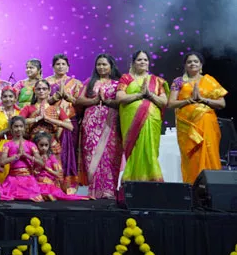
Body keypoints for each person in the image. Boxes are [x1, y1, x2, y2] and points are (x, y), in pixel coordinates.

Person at [168, 52, 227, 184]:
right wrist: (189, 100)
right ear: (185, 65)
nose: (192, 64)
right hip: (187, 128)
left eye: (196, 61)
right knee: (191, 158)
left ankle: (212, 188)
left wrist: (203, 100)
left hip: (207, 124)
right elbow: (171, 103)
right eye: (189, 62)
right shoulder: (178, 82)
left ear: (201, 65)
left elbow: (222, 103)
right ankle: (192, 189)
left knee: (209, 154)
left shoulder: (210, 81)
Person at [116, 50, 169, 183]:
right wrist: (139, 95)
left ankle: (152, 183)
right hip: (131, 122)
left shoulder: (157, 80)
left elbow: (164, 102)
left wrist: (149, 95)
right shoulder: (126, 78)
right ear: (133, 63)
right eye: (139, 60)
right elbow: (120, 97)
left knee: (149, 151)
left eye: (145, 60)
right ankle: (131, 184)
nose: (143, 62)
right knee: (135, 150)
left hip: (151, 120)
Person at [76, 54, 123, 199]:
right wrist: (95, 100)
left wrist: (107, 101)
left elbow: (121, 102)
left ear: (111, 66)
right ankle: (93, 191)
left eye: (104, 64)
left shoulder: (118, 83)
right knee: (91, 155)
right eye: (99, 64)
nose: (101, 67)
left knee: (110, 156)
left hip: (111, 123)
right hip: (91, 124)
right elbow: (79, 100)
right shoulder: (90, 82)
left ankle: (109, 190)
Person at [46, 54, 83, 193]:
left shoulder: (76, 83)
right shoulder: (46, 83)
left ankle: (68, 185)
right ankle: (52, 182)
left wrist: (69, 98)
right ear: (53, 66)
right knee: (52, 152)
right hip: (51, 122)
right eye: (57, 64)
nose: (60, 66)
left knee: (69, 152)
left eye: (63, 64)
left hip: (70, 121)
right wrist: (54, 98)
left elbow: (80, 104)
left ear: (68, 67)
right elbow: (41, 102)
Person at [20, 79, 73, 158]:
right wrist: (36, 119)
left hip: (52, 145)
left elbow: (70, 127)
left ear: (49, 91)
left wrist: (49, 119)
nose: (41, 91)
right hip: (33, 145)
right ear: (34, 91)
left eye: (44, 89)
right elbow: (18, 122)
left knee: (54, 169)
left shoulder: (57, 109)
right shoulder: (28, 108)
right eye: (38, 89)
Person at [0, 116, 43, 202]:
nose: (19, 129)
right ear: (11, 128)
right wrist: (16, 156)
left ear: (24, 128)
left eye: (21, 126)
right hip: (13, 180)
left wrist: (26, 155)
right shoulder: (7, 145)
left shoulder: (30, 144)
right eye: (16, 126)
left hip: (28, 180)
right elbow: (2, 162)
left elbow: (41, 162)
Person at [33, 132, 87, 201]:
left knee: (52, 190)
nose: (44, 148)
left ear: (49, 146)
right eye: (41, 145)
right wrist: (37, 169)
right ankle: (45, 196)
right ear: (36, 145)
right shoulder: (34, 157)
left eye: (46, 145)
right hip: (38, 179)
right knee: (36, 189)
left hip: (50, 180)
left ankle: (48, 196)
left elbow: (58, 170)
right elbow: (33, 170)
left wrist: (55, 175)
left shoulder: (51, 157)